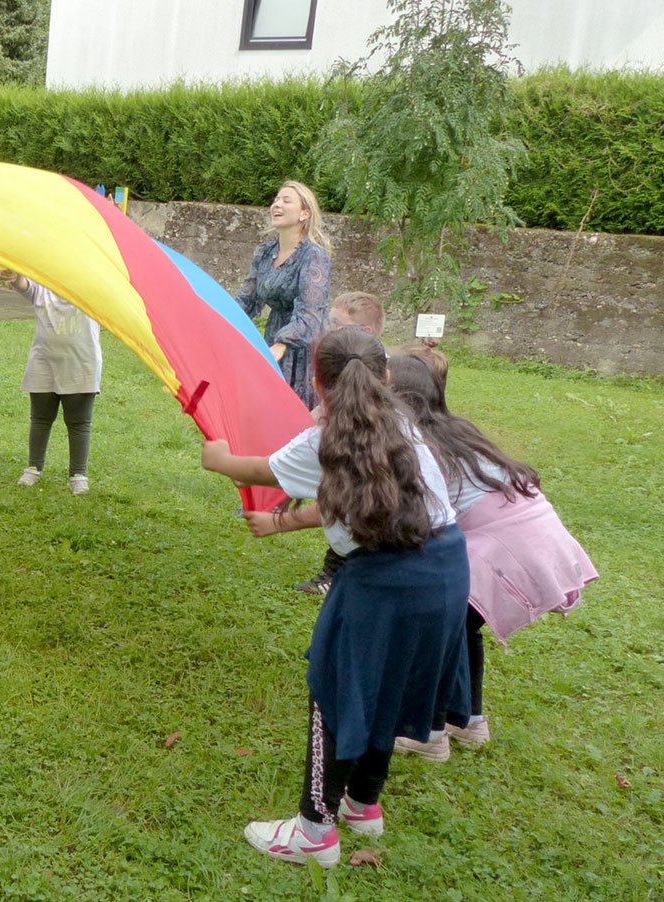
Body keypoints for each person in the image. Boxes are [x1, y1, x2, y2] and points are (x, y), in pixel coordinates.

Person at [201, 327, 471, 869]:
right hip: (447, 569)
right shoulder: (403, 425)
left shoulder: (325, 442)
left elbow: (251, 468)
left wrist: (217, 456)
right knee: (389, 689)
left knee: (334, 689)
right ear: (387, 377)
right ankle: (362, 804)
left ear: (318, 386)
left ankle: (313, 832)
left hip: (384, 581)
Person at [386, 351, 597, 761]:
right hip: (533, 534)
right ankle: (468, 721)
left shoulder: (418, 445)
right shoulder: (455, 428)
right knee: (462, 629)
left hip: (500, 546)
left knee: (432, 632)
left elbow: (420, 519)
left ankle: (426, 734)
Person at [294, 291, 386, 596]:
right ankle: (333, 573)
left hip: (373, 463)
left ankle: (334, 575)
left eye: (337, 324)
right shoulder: (351, 361)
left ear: (366, 332)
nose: (329, 329)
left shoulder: (370, 371)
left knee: (353, 506)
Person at [1, 273, 102, 495]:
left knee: (78, 423)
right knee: (40, 419)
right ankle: (34, 468)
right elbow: (22, 283)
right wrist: (13, 274)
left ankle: (78, 474)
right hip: (43, 362)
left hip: (81, 364)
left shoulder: (92, 291)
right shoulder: (42, 286)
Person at [235, 180, 333, 408]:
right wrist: (216, 317)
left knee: (296, 412)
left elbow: (311, 314)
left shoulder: (314, 256)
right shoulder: (264, 252)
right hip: (273, 336)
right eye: (276, 199)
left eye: (286, 201)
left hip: (304, 346)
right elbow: (247, 300)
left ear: (304, 214)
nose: (276, 205)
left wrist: (282, 344)